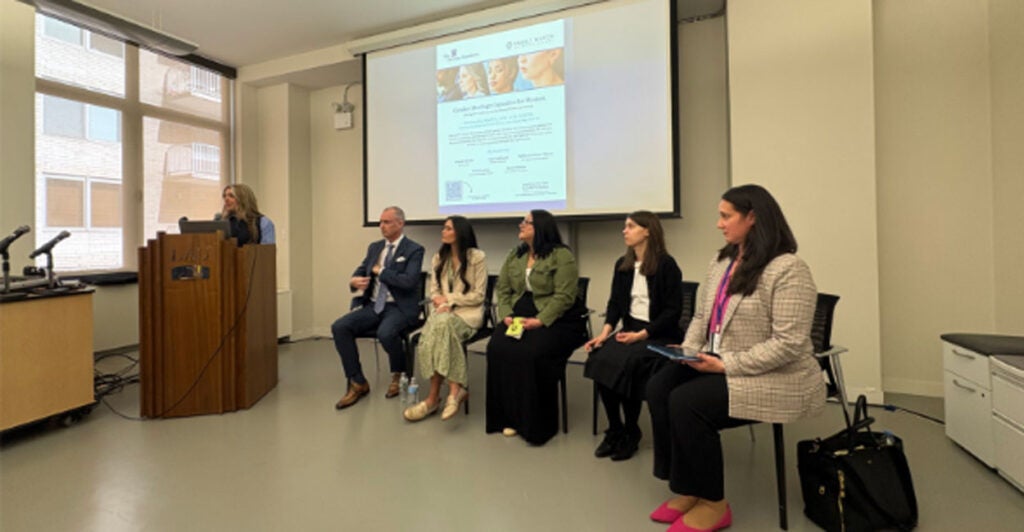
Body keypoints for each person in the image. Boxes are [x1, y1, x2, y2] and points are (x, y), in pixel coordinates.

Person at [645, 184, 824, 532]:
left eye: (726, 216)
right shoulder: (722, 261)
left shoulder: (788, 269)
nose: (719, 224)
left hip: (778, 375)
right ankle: (688, 488)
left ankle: (713, 502)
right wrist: (686, 353)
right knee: (660, 386)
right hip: (718, 360)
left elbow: (788, 344)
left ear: (753, 217)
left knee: (688, 403)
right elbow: (700, 317)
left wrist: (726, 364)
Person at [583, 211, 683, 461]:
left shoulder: (666, 265)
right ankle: (615, 428)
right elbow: (615, 303)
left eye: (630, 226)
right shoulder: (623, 264)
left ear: (648, 230)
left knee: (629, 363)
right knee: (600, 356)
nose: (624, 231)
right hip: (631, 328)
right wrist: (604, 334)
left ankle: (631, 431)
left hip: (658, 332)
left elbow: (673, 311)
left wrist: (641, 335)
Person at [485, 209, 587, 445]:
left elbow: (565, 296)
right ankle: (508, 417)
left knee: (531, 352)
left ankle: (534, 424)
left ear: (540, 227)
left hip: (559, 318)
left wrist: (541, 321)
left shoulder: (562, 256)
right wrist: (506, 315)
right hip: (521, 311)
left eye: (526, 222)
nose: (521, 225)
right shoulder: (516, 254)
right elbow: (504, 289)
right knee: (498, 347)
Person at [331, 206, 425, 410]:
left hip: (398, 307)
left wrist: (381, 271)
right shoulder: (375, 248)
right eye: (380, 222)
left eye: (387, 222)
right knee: (340, 327)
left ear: (400, 223)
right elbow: (363, 268)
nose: (382, 226)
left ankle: (398, 372)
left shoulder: (414, 249)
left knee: (386, 333)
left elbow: (409, 281)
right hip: (374, 305)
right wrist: (354, 280)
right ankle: (357, 382)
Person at [403, 216, 487, 422]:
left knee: (440, 327)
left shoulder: (477, 257)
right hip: (442, 313)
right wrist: (441, 303)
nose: (443, 231)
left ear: (459, 232)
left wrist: (449, 300)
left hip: (468, 315)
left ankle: (432, 399)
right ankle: (454, 391)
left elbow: (479, 295)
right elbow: (434, 292)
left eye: (448, 228)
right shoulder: (438, 257)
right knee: (442, 326)